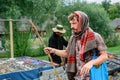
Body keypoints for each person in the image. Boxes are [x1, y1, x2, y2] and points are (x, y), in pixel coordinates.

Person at [44, 11, 108, 80]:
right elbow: (67, 53)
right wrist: (53, 50)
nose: (72, 26)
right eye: (71, 24)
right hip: (77, 76)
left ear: (82, 22)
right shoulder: (73, 38)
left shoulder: (95, 36)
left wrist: (91, 63)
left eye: (74, 23)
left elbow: (104, 56)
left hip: (92, 75)